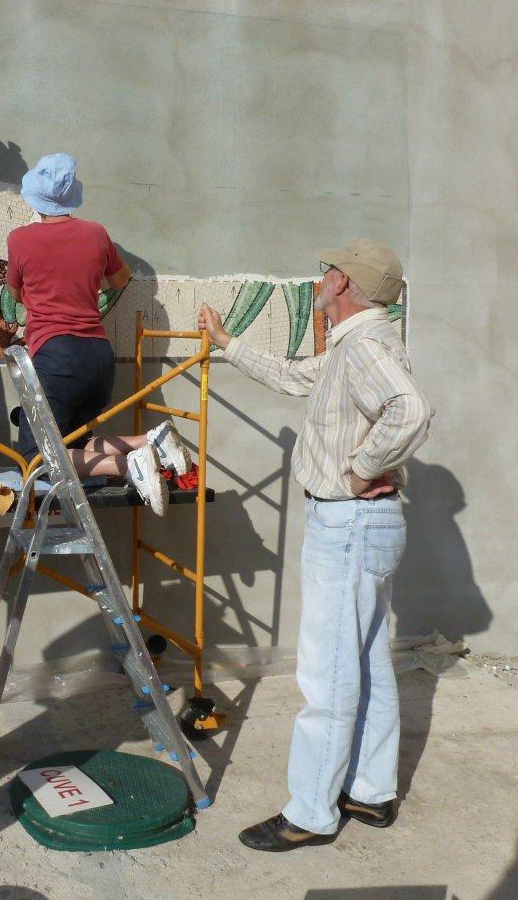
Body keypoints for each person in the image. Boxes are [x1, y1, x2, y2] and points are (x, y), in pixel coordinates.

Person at [197, 239, 433, 852]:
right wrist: (229, 344)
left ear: (346, 283)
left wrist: (361, 467)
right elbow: (298, 376)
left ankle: (311, 813)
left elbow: (410, 410)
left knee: (327, 674)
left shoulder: (366, 346)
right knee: (367, 660)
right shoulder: (355, 343)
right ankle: (372, 792)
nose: (320, 276)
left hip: (349, 521)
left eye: (331, 269)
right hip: (367, 525)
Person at [6, 153, 192, 515]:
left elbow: (14, 293)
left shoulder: (20, 239)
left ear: (35, 200)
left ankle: (129, 466)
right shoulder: (95, 233)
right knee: (80, 444)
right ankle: (150, 440)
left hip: (55, 355)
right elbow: (120, 280)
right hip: (98, 355)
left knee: (36, 456)